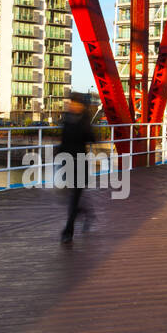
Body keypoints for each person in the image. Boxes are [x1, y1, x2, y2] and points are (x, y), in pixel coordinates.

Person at [58, 90, 96, 244]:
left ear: (81, 106)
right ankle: (87, 213)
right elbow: (64, 140)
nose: (73, 105)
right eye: (71, 102)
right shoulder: (66, 119)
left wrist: (85, 130)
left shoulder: (85, 120)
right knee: (70, 198)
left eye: (76, 103)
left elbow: (92, 138)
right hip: (67, 162)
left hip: (80, 163)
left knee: (73, 199)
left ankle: (68, 231)